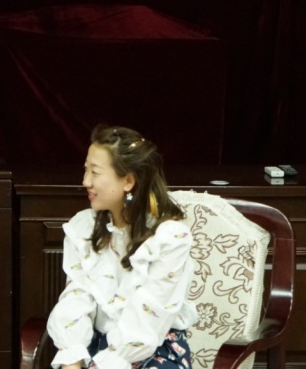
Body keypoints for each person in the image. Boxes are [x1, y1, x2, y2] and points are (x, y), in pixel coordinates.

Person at [46, 125, 196, 369]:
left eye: (95, 172)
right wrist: (72, 359)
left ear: (128, 181)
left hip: (150, 351)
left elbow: (147, 321)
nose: (86, 181)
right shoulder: (83, 228)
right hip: (94, 348)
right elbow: (76, 298)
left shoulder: (169, 239)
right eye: (86, 169)